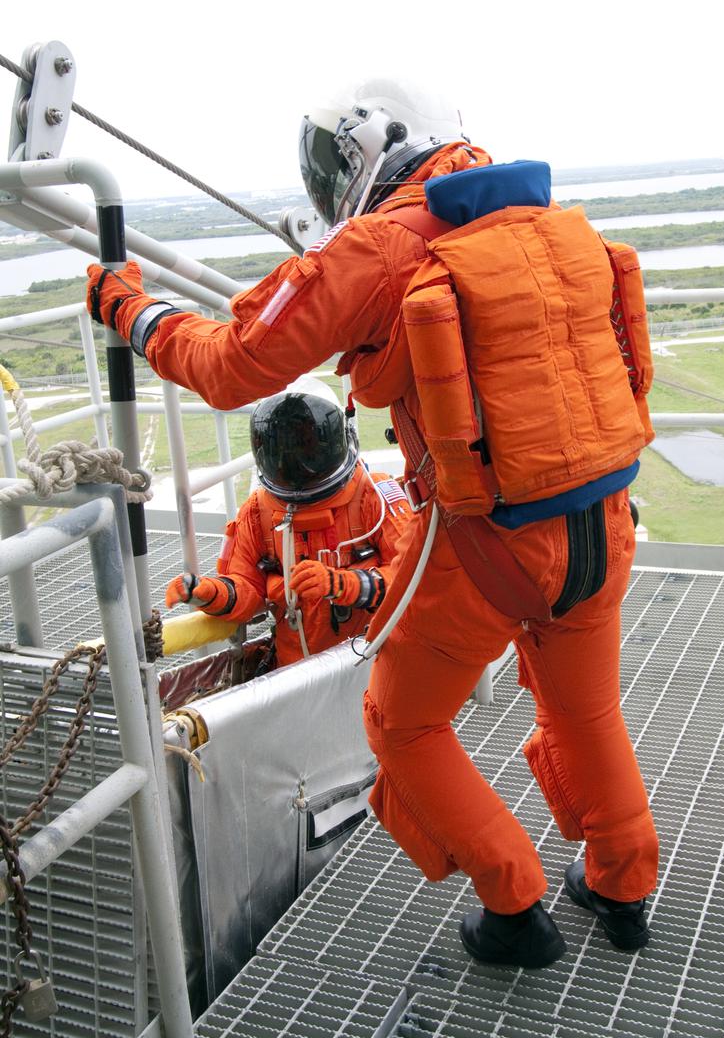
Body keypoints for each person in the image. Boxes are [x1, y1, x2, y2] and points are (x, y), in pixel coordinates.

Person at [85, 78, 659, 967]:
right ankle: (622, 887)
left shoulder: (379, 248)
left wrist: (134, 309)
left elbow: (234, 365)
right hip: (604, 529)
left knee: (403, 727)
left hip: (485, 549)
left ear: (365, 151)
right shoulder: (547, 224)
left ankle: (515, 909)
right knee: (585, 713)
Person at [163, 380, 411, 668]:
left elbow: (413, 579)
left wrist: (343, 584)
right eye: (284, 449)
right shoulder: (257, 512)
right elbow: (247, 592)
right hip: (293, 671)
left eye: (307, 445)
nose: (297, 463)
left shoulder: (375, 497)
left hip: (372, 661)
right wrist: (210, 593)